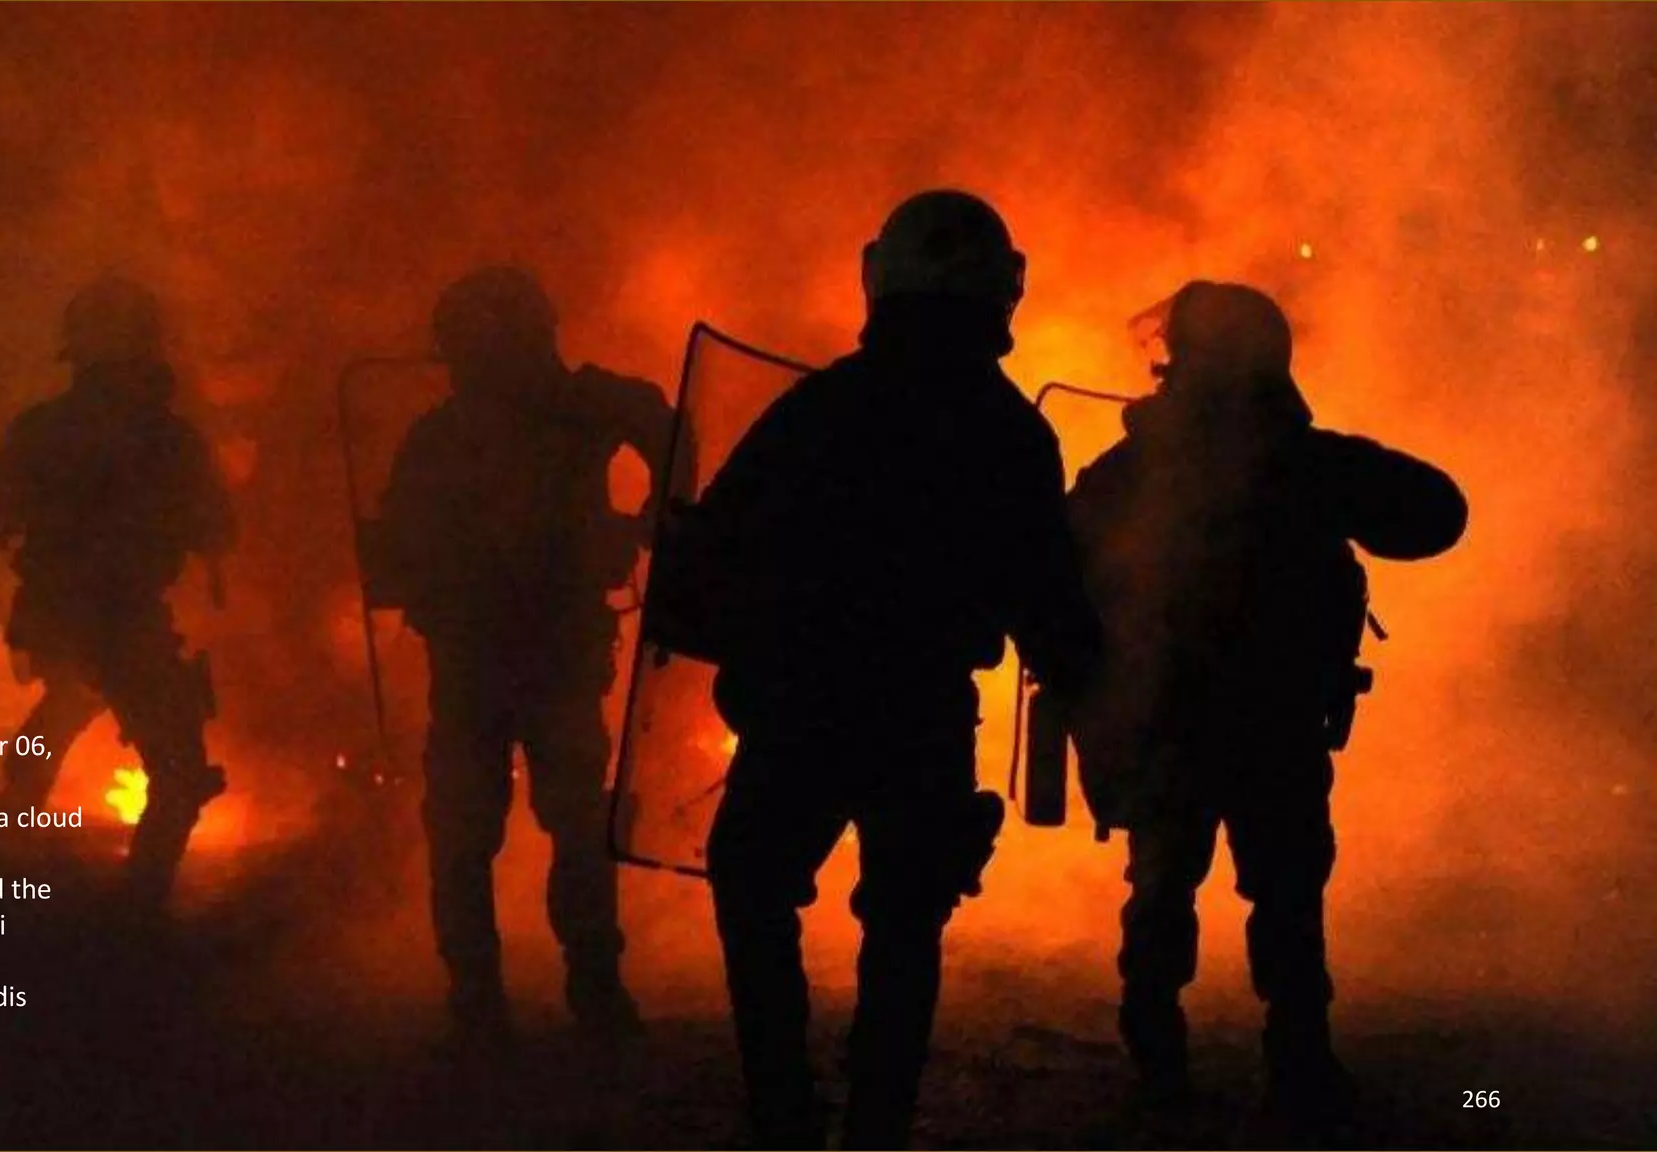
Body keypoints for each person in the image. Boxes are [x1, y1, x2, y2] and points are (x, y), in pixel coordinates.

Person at [657, 190, 1101, 1148]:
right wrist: (1090, 688)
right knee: (905, 922)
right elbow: (1046, 591)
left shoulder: (819, 408)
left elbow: (715, 552)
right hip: (920, 716)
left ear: (882, 277)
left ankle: (781, 1108)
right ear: (998, 292)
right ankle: (878, 1124)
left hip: (798, 708)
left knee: (754, 884)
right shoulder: (1009, 433)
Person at [1065, 281, 1468, 1121]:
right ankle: (1298, 1060)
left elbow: (1059, 570)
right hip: (1274, 725)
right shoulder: (1306, 464)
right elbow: (1435, 513)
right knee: (1286, 892)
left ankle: (1158, 1057)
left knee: (1164, 886)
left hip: (1172, 723)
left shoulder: (1134, 470)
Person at [367, 266, 675, 1043]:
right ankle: (575, 993)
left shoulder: (467, 430)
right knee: (549, 825)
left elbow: (395, 554)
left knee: (498, 830)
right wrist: (644, 526)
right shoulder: (570, 413)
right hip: (529, 660)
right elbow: (665, 429)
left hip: (508, 662)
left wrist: (646, 525)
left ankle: (503, 998)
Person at [0, 275, 236, 910]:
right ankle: (136, 920)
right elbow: (217, 527)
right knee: (177, 774)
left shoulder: (38, 429)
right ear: (149, 350)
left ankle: (4, 875)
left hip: (59, 614)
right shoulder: (168, 438)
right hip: (122, 618)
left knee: (68, 700)